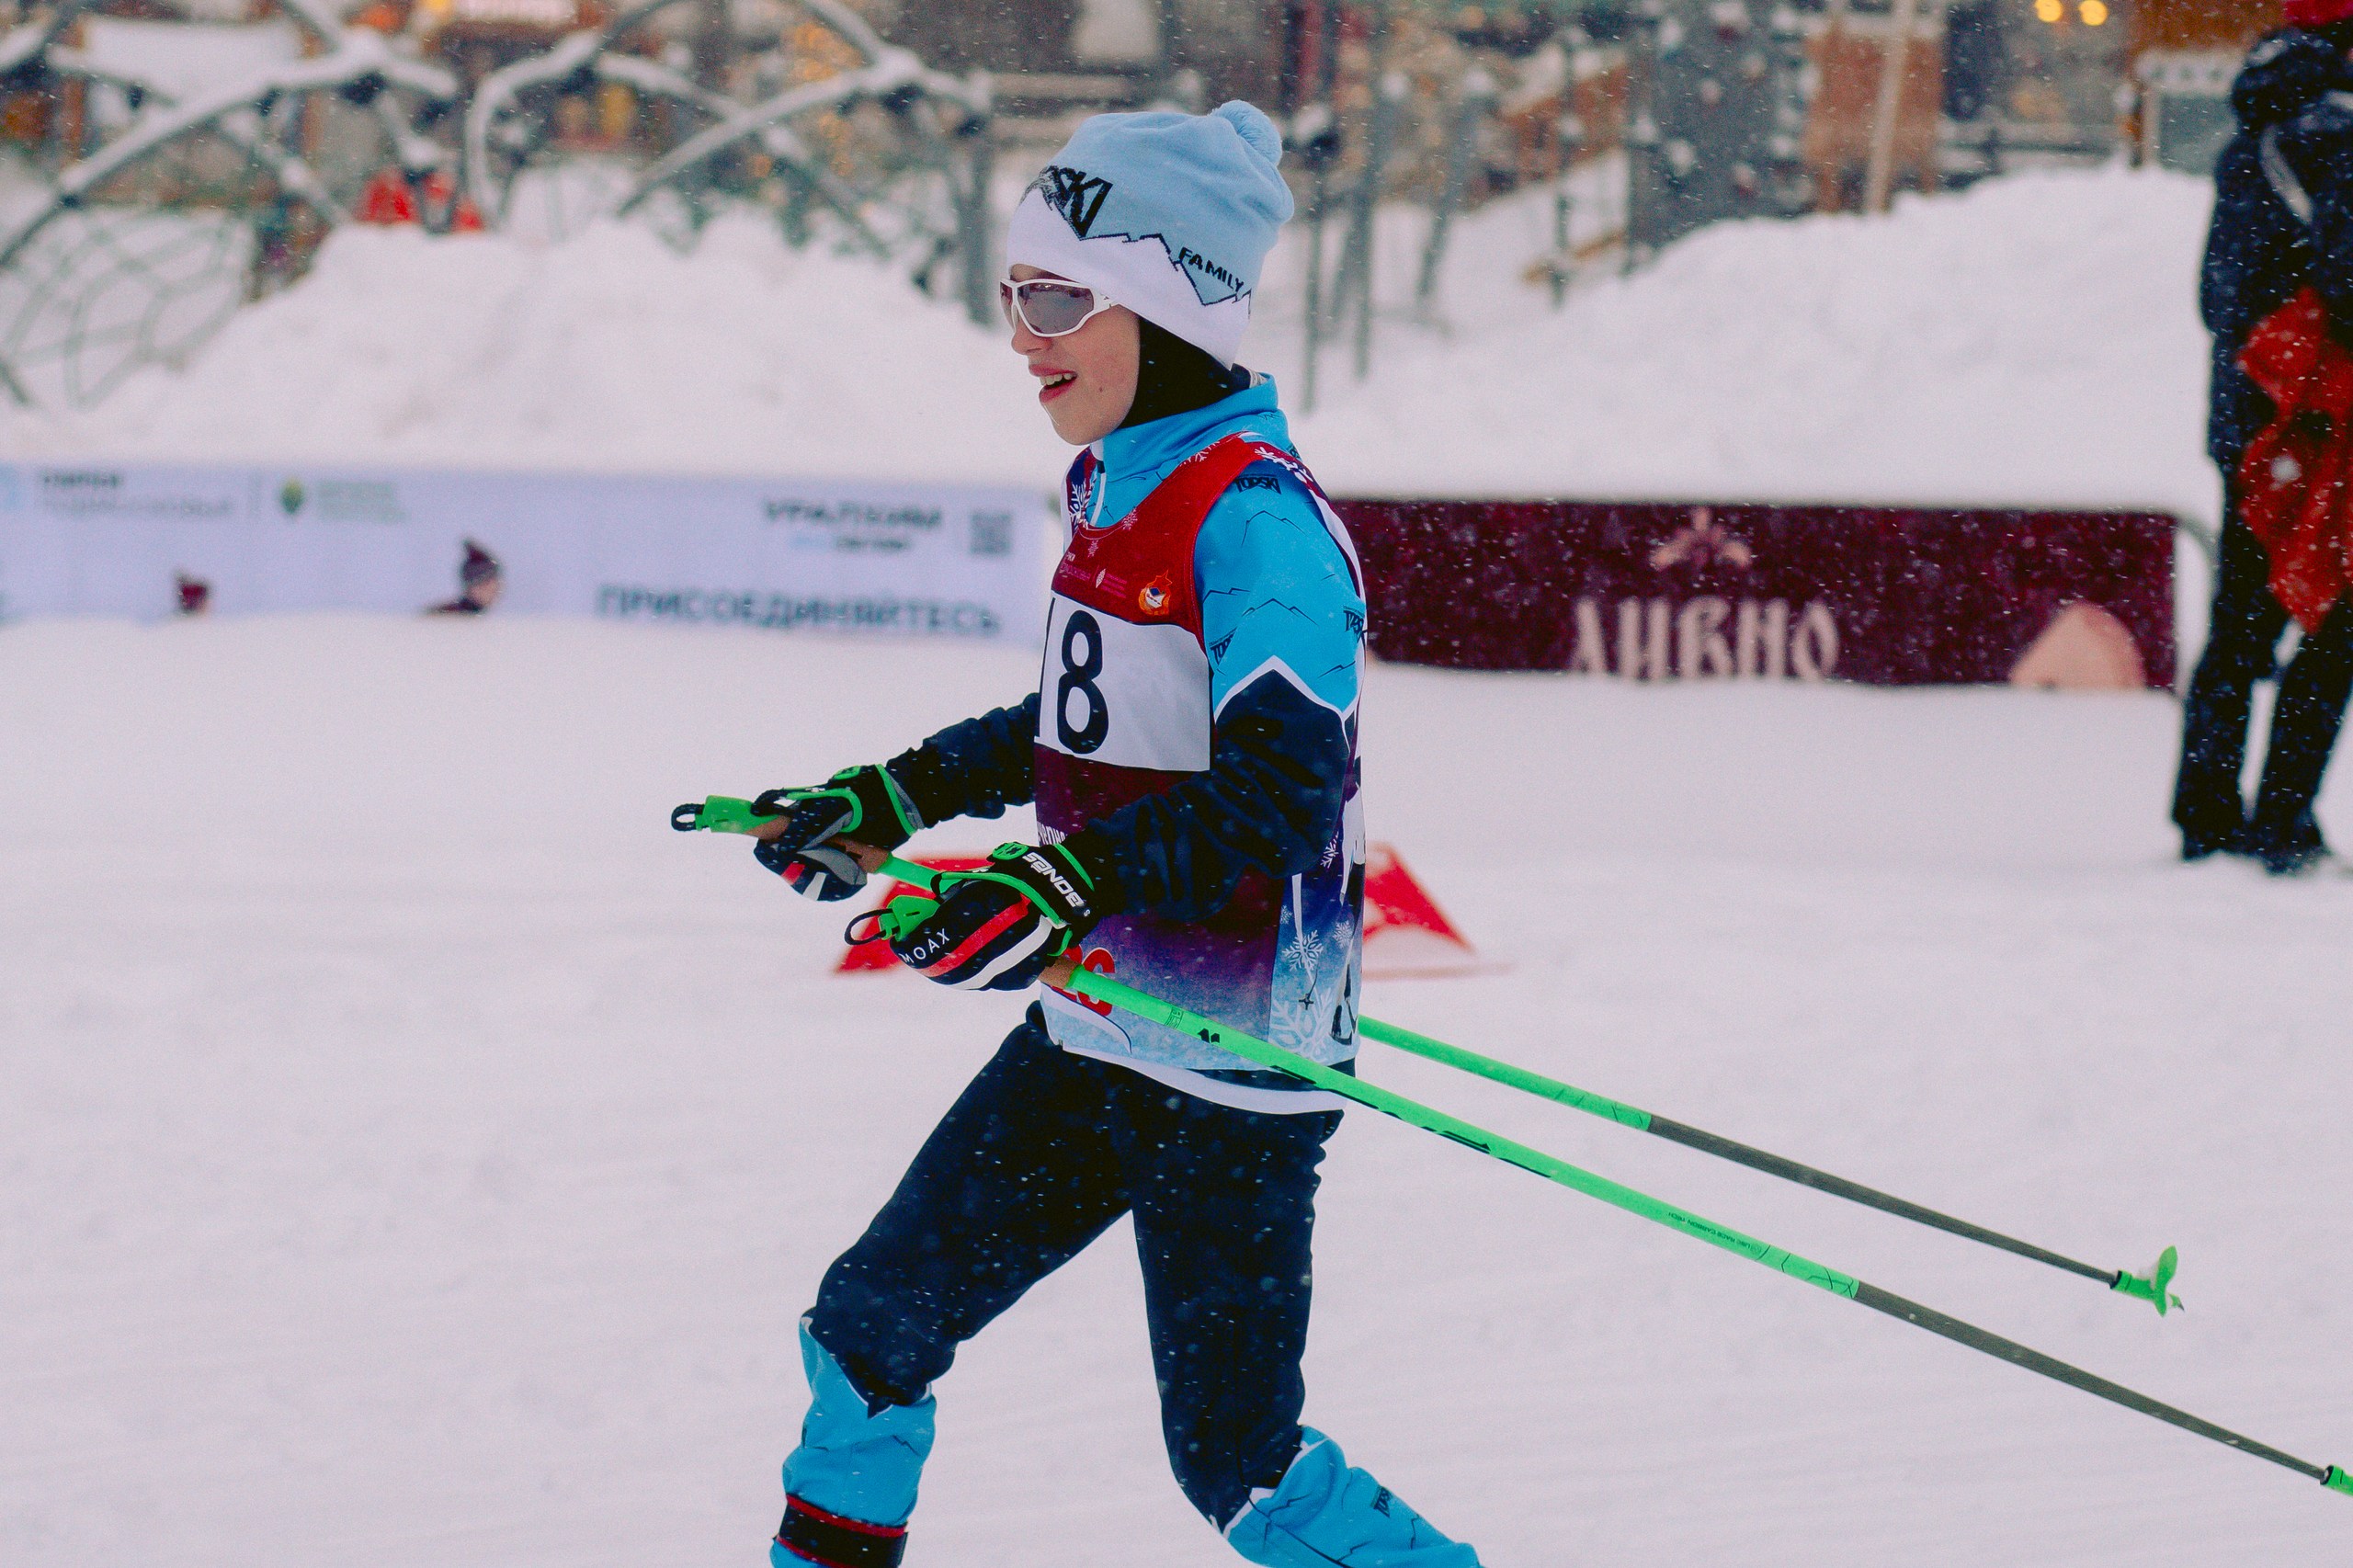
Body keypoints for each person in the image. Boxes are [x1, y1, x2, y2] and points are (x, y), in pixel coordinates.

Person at [747, 104, 1483, 1568]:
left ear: (1176, 299)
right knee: (868, 1329)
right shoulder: (1121, 480)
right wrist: (893, 796)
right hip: (1100, 1030)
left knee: (1238, 1468)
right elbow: (1090, 722)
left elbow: (1281, 790)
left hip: (1229, 1064)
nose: (1023, 335)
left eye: (1057, 298)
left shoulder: (1260, 522)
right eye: (1015, 294)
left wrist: (1065, 875)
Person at [2175, 9, 2353, 875]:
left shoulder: (2253, 138)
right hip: (2324, 424)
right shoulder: (2341, 135)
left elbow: (2216, 297)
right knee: (2336, 620)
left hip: (2250, 421)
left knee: (2239, 625)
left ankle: (2205, 815)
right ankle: (2283, 818)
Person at [427, 539, 502, 616]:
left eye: (496, 582)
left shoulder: (495, 618)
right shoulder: (448, 618)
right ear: (470, 588)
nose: (493, 589)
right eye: (486, 583)